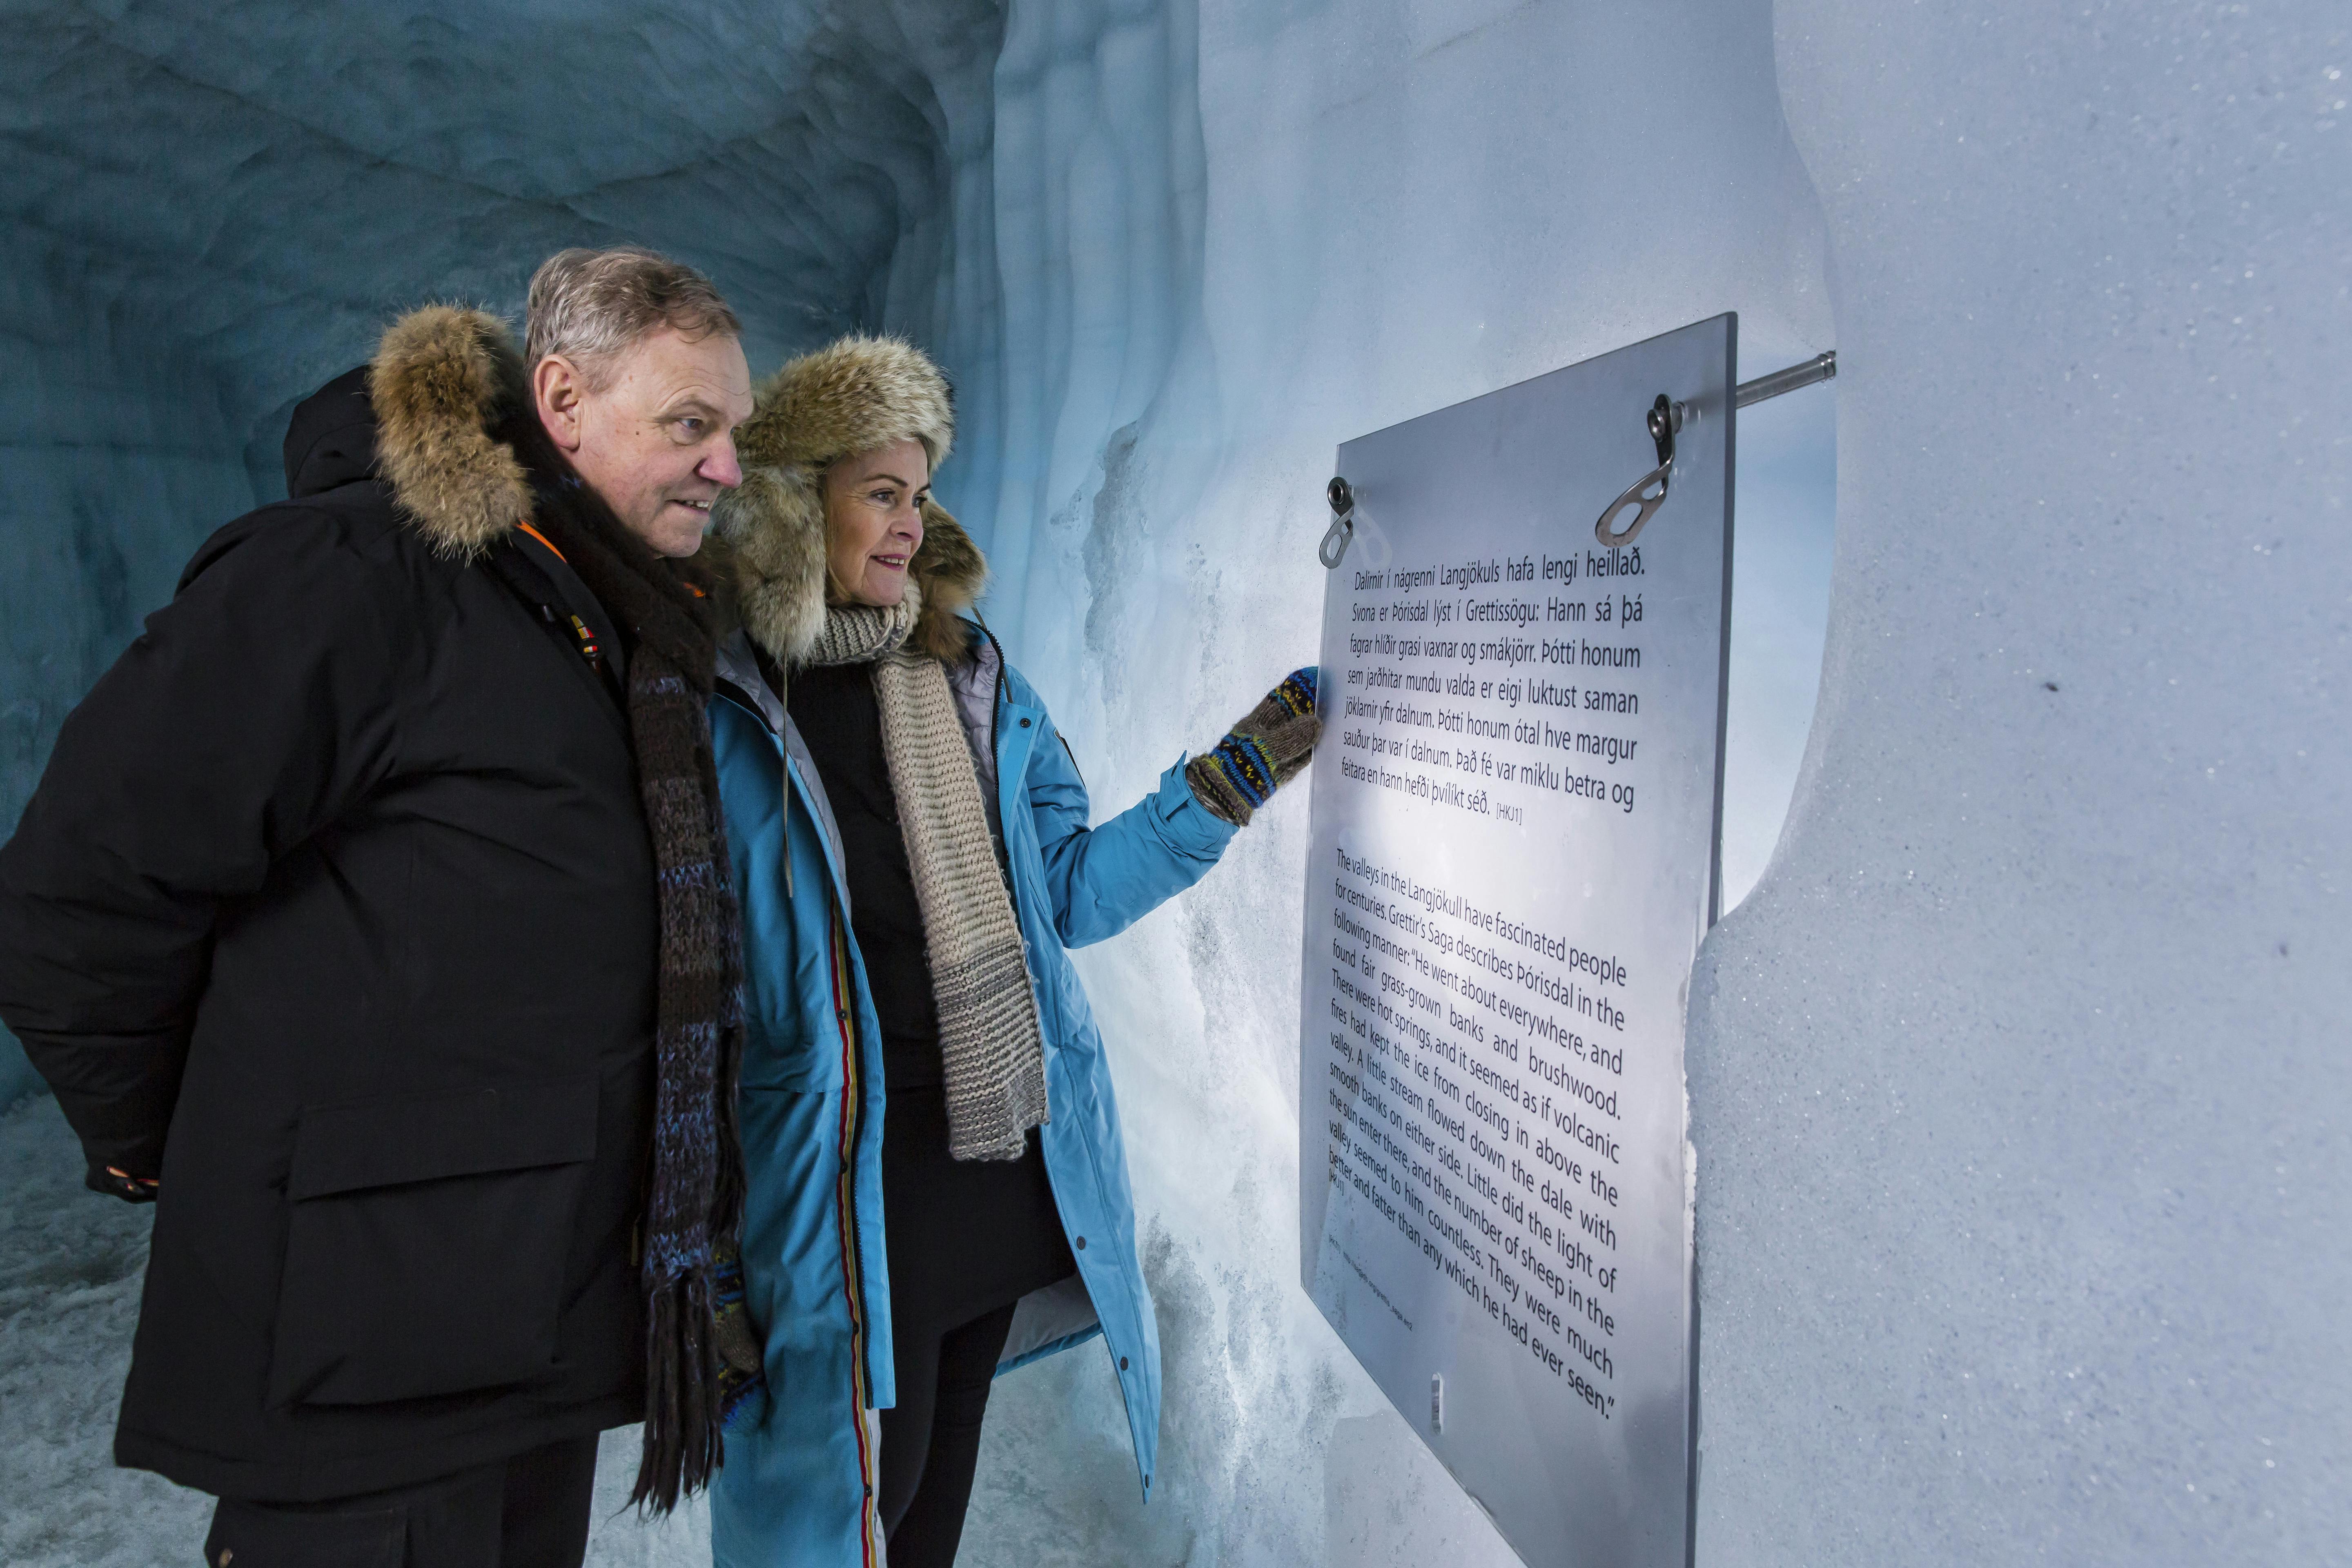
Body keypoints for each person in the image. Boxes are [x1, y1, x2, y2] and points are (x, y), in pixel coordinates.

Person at [0, 246, 760, 1567]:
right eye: (691, 426)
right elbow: (82, 883)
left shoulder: (594, 618)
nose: (727, 469)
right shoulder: (356, 574)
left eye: (733, 433)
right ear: (564, 399)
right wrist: (165, 1143)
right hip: (369, 1359)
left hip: (530, 1326)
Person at [701, 335, 1321, 1566]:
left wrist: (1223, 787)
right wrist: (700, 1248)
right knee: (845, 1510)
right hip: (843, 1190)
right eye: (882, 493)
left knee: (930, 1504)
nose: (909, 529)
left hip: (991, 1149)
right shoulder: (729, 704)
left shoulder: (968, 675)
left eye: (920, 497)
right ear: (791, 498)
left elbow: (1070, 895)